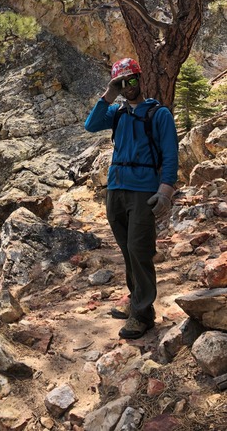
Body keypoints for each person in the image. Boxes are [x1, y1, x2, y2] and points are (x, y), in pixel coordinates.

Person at [84, 58, 179, 339]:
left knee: (139, 249)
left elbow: (171, 154)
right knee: (127, 249)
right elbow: (91, 125)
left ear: (141, 79)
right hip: (116, 189)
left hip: (142, 191)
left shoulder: (158, 114)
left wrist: (166, 190)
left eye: (131, 80)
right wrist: (109, 93)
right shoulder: (117, 113)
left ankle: (142, 314)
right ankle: (136, 299)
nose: (128, 87)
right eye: (121, 83)